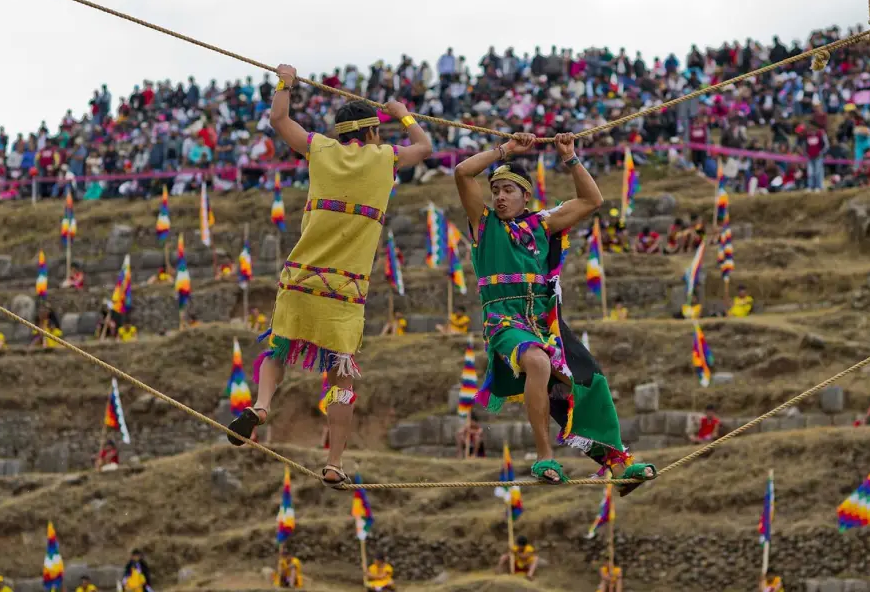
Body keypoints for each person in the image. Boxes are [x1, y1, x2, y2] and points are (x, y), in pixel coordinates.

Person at [227, 63, 431, 491]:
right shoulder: (386, 158)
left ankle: (262, 406)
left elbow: (279, 119)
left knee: (279, 349)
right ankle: (334, 462)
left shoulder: (321, 149)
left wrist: (285, 81)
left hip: (300, 278)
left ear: (341, 134)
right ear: (373, 133)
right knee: (342, 378)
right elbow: (425, 147)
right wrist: (404, 114)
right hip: (344, 290)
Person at [453, 132, 654, 489]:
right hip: (504, 322)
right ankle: (546, 457)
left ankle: (617, 463)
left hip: (546, 322)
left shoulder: (542, 225)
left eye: (508, 190)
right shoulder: (484, 226)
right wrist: (505, 151)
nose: (499, 196)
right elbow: (462, 173)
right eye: (495, 190)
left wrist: (570, 156)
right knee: (539, 362)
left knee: (590, 382)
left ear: (526, 196)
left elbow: (593, 199)